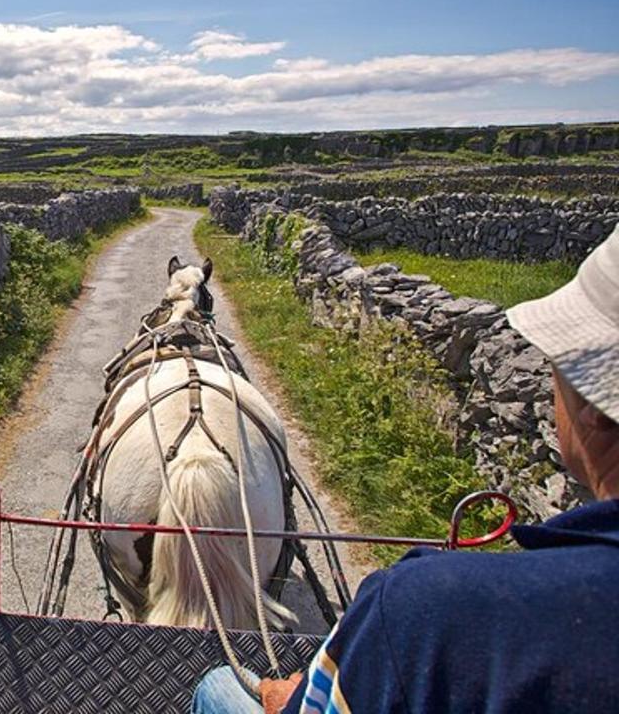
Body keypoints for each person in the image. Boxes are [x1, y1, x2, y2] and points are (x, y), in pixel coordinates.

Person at [194, 223, 619, 713]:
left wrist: (280, 698)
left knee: (219, 684)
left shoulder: (425, 608)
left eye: (556, 363)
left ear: (594, 403)